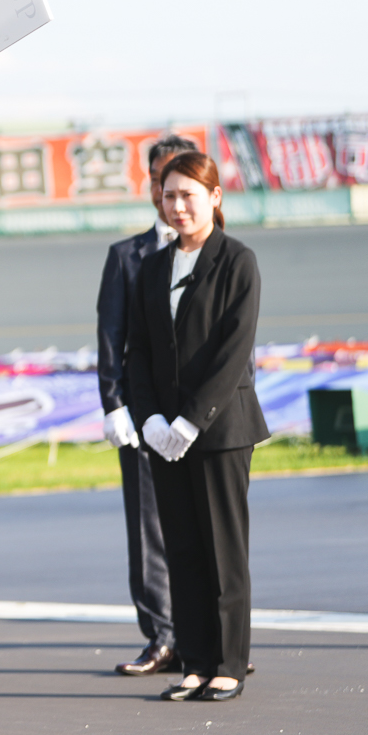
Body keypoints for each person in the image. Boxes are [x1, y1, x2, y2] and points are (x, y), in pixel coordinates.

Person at [125, 151, 267, 704]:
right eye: (169, 195)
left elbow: (233, 352)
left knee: (223, 551)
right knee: (181, 549)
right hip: (166, 436)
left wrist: (191, 419)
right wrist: (152, 418)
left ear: (215, 197)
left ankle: (229, 663)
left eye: (188, 194)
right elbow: (138, 354)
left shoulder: (237, 261)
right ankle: (195, 660)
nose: (178, 206)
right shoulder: (152, 267)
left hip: (220, 430)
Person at [95, 133, 198, 676]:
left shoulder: (217, 251)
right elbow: (111, 336)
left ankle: (210, 635)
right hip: (141, 410)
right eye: (163, 181)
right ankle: (161, 634)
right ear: (151, 187)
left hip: (201, 415)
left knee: (206, 526)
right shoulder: (128, 256)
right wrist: (112, 404)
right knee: (148, 526)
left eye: (183, 182)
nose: (171, 194)